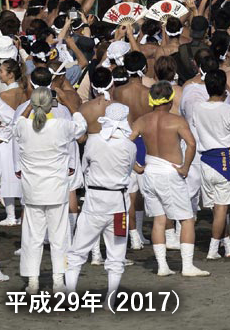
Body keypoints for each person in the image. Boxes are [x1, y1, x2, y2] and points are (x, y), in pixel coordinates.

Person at [131, 81, 209, 277]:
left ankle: (162, 265)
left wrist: (136, 167)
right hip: (169, 173)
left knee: (159, 219)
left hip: (150, 172)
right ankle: (187, 266)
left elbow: (124, 144)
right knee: (187, 219)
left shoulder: (142, 121)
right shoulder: (177, 121)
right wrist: (185, 167)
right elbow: (191, 144)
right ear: (171, 99)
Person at [13, 87, 87, 293]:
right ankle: (58, 281)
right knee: (59, 238)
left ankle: (33, 282)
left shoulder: (23, 126)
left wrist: (30, 104)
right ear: (51, 105)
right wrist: (68, 103)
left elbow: (16, 122)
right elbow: (82, 126)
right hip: (56, 189)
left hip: (33, 190)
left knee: (32, 238)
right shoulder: (61, 125)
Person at [65, 103, 137, 307]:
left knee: (77, 251)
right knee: (117, 254)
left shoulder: (93, 141)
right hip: (118, 205)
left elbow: (86, 165)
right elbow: (129, 169)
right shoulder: (129, 145)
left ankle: (70, 296)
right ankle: (111, 299)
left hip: (94, 201)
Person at [189, 69, 230, 259]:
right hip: (225, 160)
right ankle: (213, 249)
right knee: (221, 208)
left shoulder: (198, 109)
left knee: (217, 209)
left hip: (205, 161)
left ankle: (227, 245)